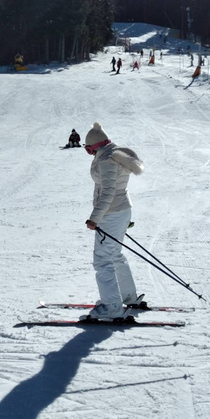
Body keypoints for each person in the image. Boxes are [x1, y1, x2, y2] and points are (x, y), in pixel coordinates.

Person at [82, 122, 145, 320]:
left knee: (103, 260)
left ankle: (111, 306)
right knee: (114, 255)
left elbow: (108, 192)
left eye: (88, 149)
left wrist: (95, 218)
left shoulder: (107, 160)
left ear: (93, 146)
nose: (89, 153)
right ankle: (128, 297)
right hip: (121, 210)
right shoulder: (113, 154)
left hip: (112, 212)